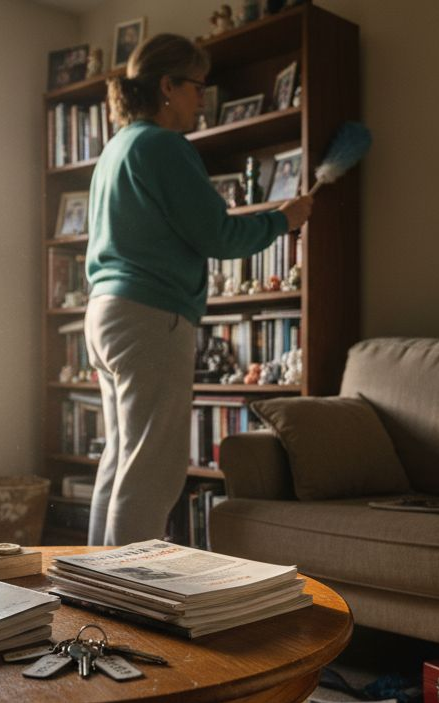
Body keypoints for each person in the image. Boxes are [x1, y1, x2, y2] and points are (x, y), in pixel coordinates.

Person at [83, 33, 313, 545]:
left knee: (121, 458)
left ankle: (88, 587)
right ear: (167, 86)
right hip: (149, 315)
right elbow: (218, 234)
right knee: (152, 469)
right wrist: (283, 219)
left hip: (105, 313)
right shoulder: (162, 146)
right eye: (196, 87)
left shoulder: (116, 148)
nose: (200, 101)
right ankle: (122, 597)